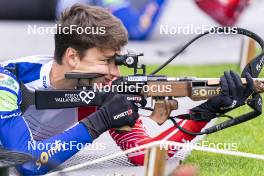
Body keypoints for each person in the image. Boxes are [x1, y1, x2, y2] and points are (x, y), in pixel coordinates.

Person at [0, 4, 255, 175]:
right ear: (73, 57)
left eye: (117, 62)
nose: (115, 73)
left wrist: (208, 110)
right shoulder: (8, 82)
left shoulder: (97, 90)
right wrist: (96, 123)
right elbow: (27, 163)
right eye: (106, 61)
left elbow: (144, 155)